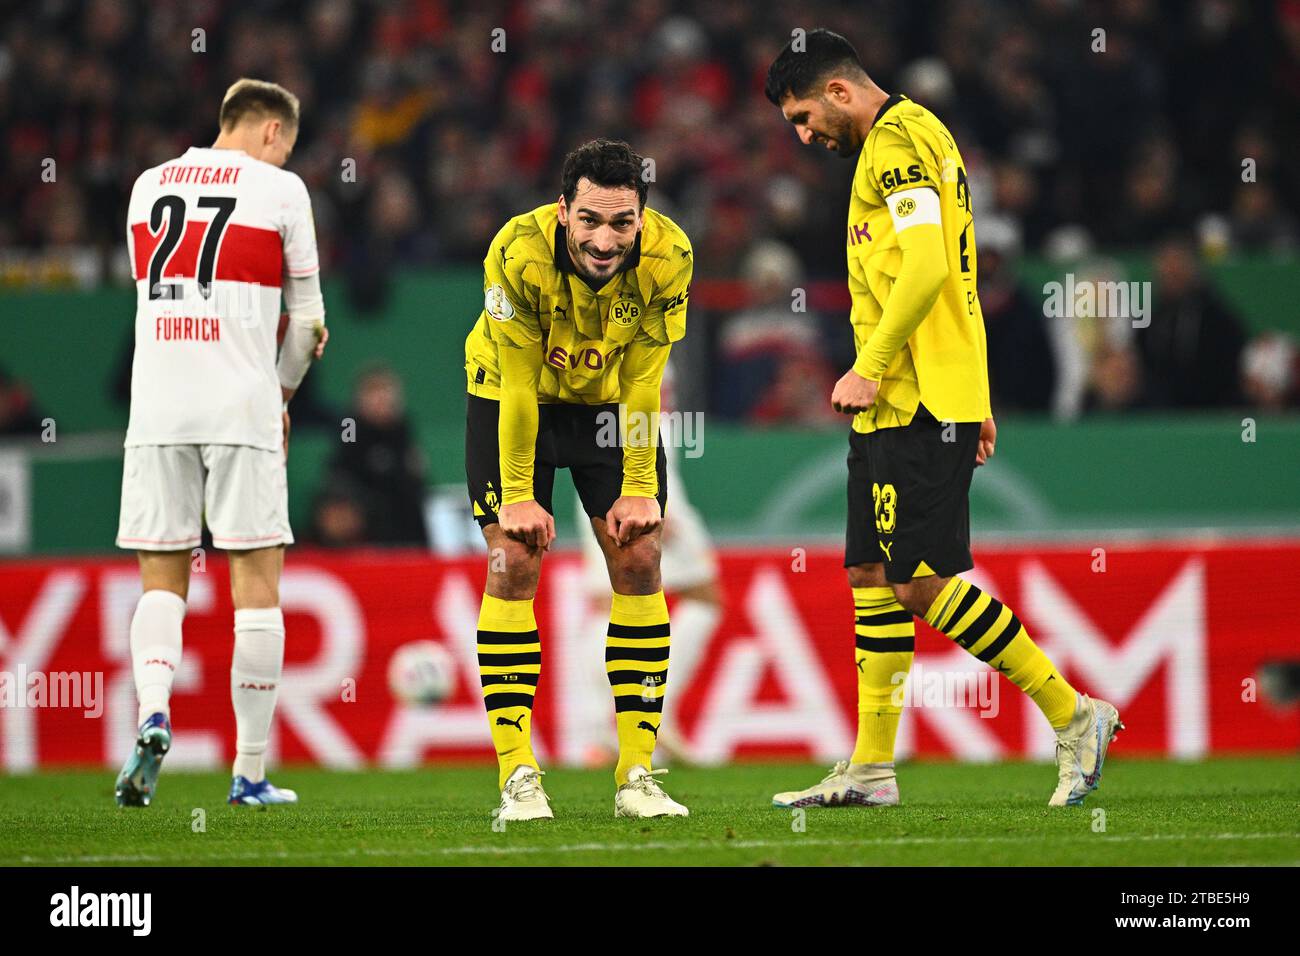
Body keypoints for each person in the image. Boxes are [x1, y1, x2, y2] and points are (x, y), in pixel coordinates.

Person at [763, 30, 1122, 809]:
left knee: (920, 583)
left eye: (802, 115)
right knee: (870, 576)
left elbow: (928, 264)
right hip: (916, 395)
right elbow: (960, 275)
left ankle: (1074, 714)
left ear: (838, 91)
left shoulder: (892, 144)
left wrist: (870, 364)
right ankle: (871, 767)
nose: (803, 135)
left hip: (912, 396)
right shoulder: (918, 134)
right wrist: (977, 390)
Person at [463, 139, 692, 820]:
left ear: (642, 219)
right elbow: (520, 384)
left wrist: (641, 485)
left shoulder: (670, 257)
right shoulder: (516, 252)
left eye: (622, 222)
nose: (604, 238)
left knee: (642, 556)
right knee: (513, 560)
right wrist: (520, 495)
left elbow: (647, 381)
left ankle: (637, 775)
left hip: (606, 405)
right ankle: (518, 776)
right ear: (563, 211)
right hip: (511, 398)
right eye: (589, 219)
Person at [114, 79, 326, 808]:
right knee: (256, 588)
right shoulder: (281, 190)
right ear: (272, 131)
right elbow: (307, 325)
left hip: (158, 409)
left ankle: (151, 713)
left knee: (161, 581)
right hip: (242, 406)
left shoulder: (147, 187)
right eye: (288, 144)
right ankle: (250, 771)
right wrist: (285, 394)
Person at [570, 362, 722, 767]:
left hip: (611, 483)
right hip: (635, 485)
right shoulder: (627, 330)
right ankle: (641, 717)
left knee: (613, 602)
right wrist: (651, 498)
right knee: (699, 598)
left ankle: (615, 726)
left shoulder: (613, 328)